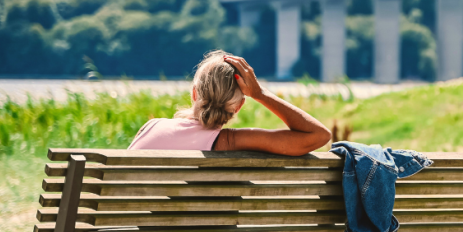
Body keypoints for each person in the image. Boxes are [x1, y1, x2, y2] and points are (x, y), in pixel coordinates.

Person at [128, 50, 331, 156]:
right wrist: (260, 94)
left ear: (194, 94)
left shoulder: (150, 127)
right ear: (239, 107)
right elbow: (319, 136)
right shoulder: (228, 142)